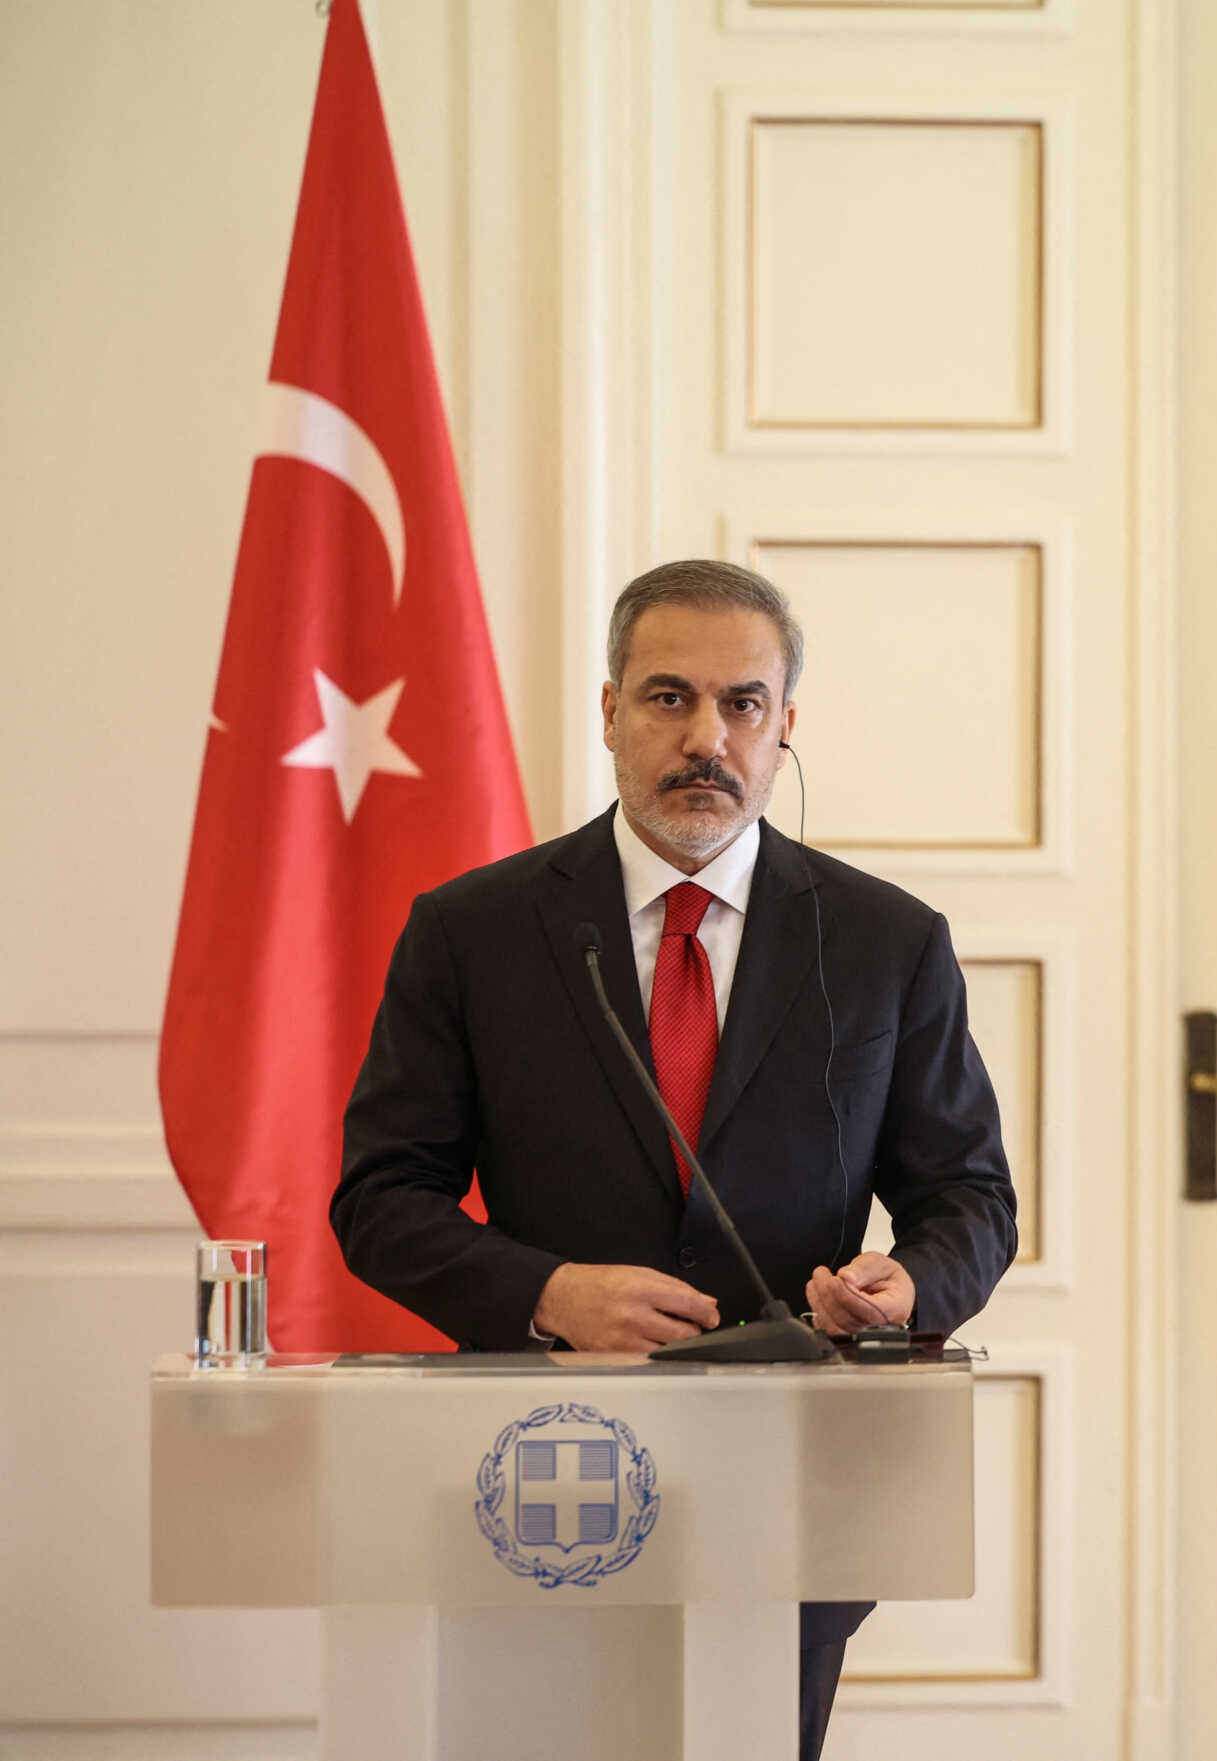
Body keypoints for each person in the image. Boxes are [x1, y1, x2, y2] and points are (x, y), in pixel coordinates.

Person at [334, 558, 1017, 1761]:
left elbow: (967, 1197)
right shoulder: (472, 931)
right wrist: (546, 1293)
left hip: (791, 1477)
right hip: (538, 1465)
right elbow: (382, 1198)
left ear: (784, 725)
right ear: (608, 712)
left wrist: (904, 1290)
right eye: (667, 698)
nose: (707, 738)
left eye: (741, 704)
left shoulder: (886, 944)